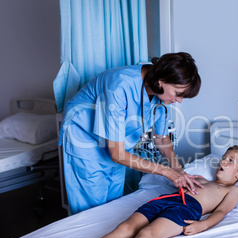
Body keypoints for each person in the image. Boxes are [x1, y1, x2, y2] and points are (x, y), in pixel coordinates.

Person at [63, 145, 238, 238]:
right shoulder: (202, 178)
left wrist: (202, 225)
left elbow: (222, 212)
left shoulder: (233, 191)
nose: (223, 161)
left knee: (148, 234)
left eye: (230, 161)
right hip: (166, 199)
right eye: (224, 157)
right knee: (125, 227)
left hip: (186, 210)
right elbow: (178, 182)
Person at [59, 52, 202, 214]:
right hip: (84, 137)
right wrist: (166, 171)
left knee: (112, 201)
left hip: (118, 144)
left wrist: (178, 170)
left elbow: (161, 138)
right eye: (178, 94)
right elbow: (117, 154)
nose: (179, 100)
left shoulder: (160, 94)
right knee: (91, 206)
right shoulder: (119, 87)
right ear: (162, 81)